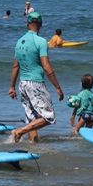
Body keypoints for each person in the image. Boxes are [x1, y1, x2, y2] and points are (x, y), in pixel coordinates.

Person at [8, 12, 64, 142]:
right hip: (35, 83)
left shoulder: (19, 41)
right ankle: (19, 132)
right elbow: (46, 66)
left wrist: (11, 86)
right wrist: (57, 87)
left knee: (32, 118)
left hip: (22, 83)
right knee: (49, 117)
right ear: (41, 24)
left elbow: (15, 66)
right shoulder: (41, 41)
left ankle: (33, 146)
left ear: (27, 24)